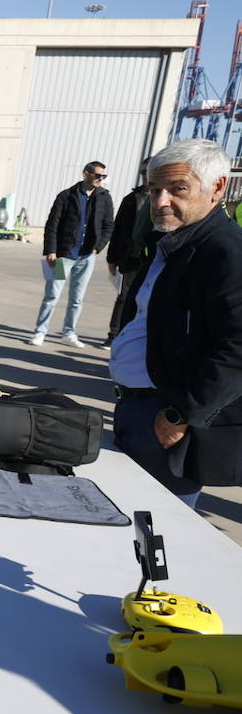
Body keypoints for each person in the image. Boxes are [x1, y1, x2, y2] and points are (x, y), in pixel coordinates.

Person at [108, 138, 242, 506]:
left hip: (168, 423)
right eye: (155, 190)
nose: (160, 201)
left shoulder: (226, 253)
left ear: (217, 187)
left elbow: (238, 349)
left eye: (177, 189)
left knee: (158, 536)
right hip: (137, 409)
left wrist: (182, 413)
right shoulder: (171, 244)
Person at [30, 161, 114, 347]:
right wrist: (51, 250)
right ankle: (40, 331)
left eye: (104, 176)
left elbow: (109, 225)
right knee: (51, 295)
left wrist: (97, 248)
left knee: (77, 298)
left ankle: (69, 333)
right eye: (98, 175)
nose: (101, 179)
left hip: (86, 257)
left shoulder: (104, 197)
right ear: (86, 174)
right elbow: (52, 224)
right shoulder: (66, 196)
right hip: (61, 255)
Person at [103, 161, 153, 348]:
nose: (146, 176)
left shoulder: (164, 198)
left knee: (147, 299)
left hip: (151, 258)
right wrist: (112, 258)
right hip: (131, 256)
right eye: (143, 172)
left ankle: (138, 338)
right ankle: (114, 335)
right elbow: (119, 231)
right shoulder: (132, 199)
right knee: (124, 296)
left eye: (149, 172)